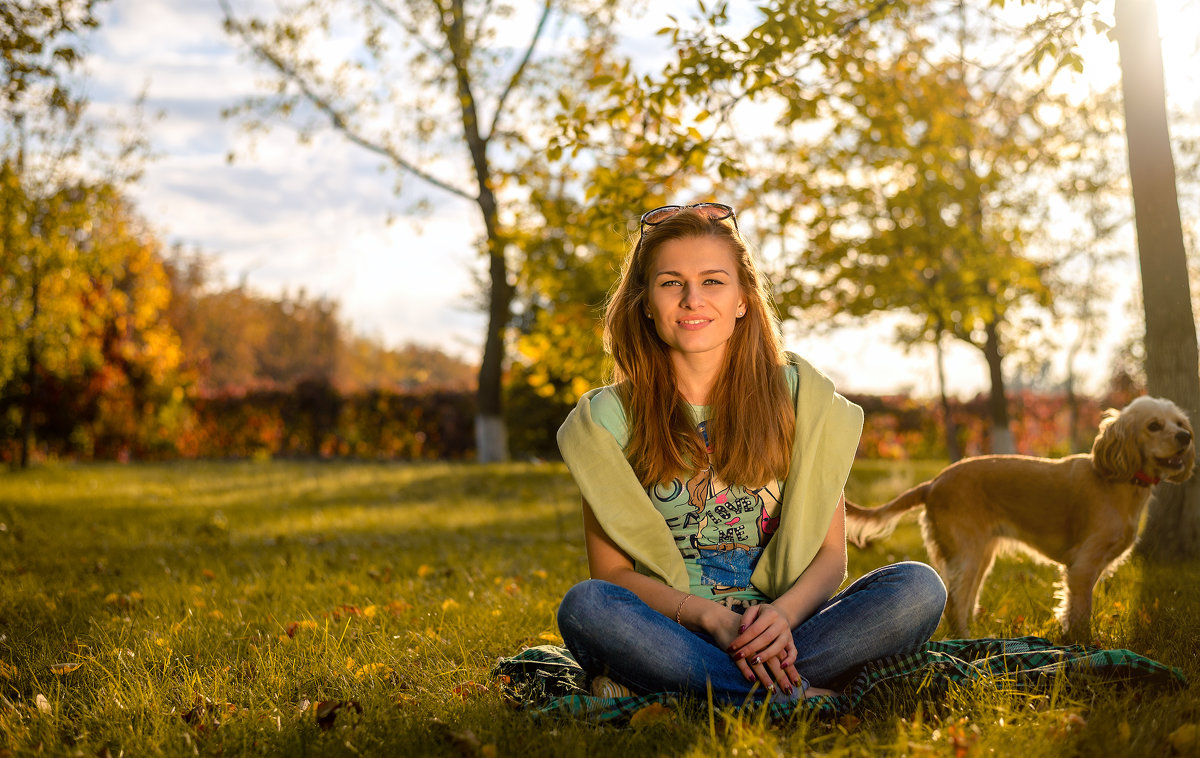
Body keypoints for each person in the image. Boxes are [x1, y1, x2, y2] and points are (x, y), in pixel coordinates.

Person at [555, 202, 947, 705]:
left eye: (713, 281)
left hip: (792, 632)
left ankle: (715, 691)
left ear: (743, 298)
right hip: (672, 632)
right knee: (586, 606)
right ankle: (789, 695)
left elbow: (831, 556)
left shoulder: (801, 396)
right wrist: (709, 617)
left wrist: (781, 617)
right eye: (671, 282)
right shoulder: (607, 419)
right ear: (646, 302)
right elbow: (612, 576)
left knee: (917, 587)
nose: (692, 298)